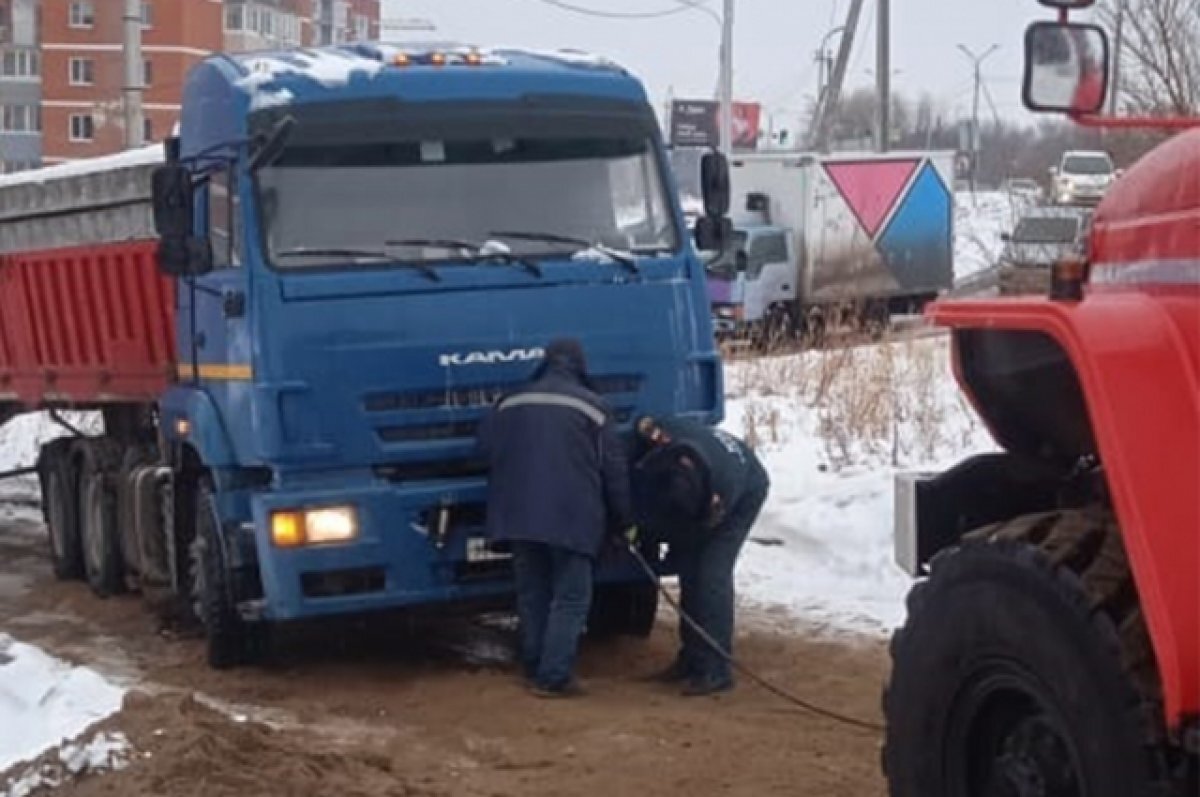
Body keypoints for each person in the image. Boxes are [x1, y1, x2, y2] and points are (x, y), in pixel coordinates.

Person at [477, 339, 634, 698]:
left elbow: (482, 452)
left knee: (533, 592)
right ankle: (554, 677)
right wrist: (624, 520)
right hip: (572, 515)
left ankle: (533, 664)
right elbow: (614, 472)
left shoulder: (510, 401)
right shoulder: (594, 408)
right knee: (572, 597)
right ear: (580, 366)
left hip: (517, 515)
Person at [632, 415, 770, 696]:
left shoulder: (718, 495)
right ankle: (691, 659)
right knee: (688, 571)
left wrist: (676, 539)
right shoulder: (660, 437)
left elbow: (699, 529)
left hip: (746, 490)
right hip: (716, 471)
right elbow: (645, 426)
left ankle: (716, 669)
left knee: (710, 575)